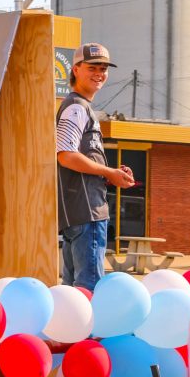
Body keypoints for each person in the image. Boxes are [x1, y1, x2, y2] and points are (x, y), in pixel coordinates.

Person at [56, 43, 135, 291]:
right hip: (86, 213)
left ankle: (70, 330)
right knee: (89, 288)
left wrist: (111, 174)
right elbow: (66, 156)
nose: (99, 73)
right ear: (76, 70)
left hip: (77, 214)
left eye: (103, 68)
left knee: (72, 291)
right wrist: (108, 172)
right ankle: (83, 331)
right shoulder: (77, 107)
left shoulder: (80, 106)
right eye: (92, 67)